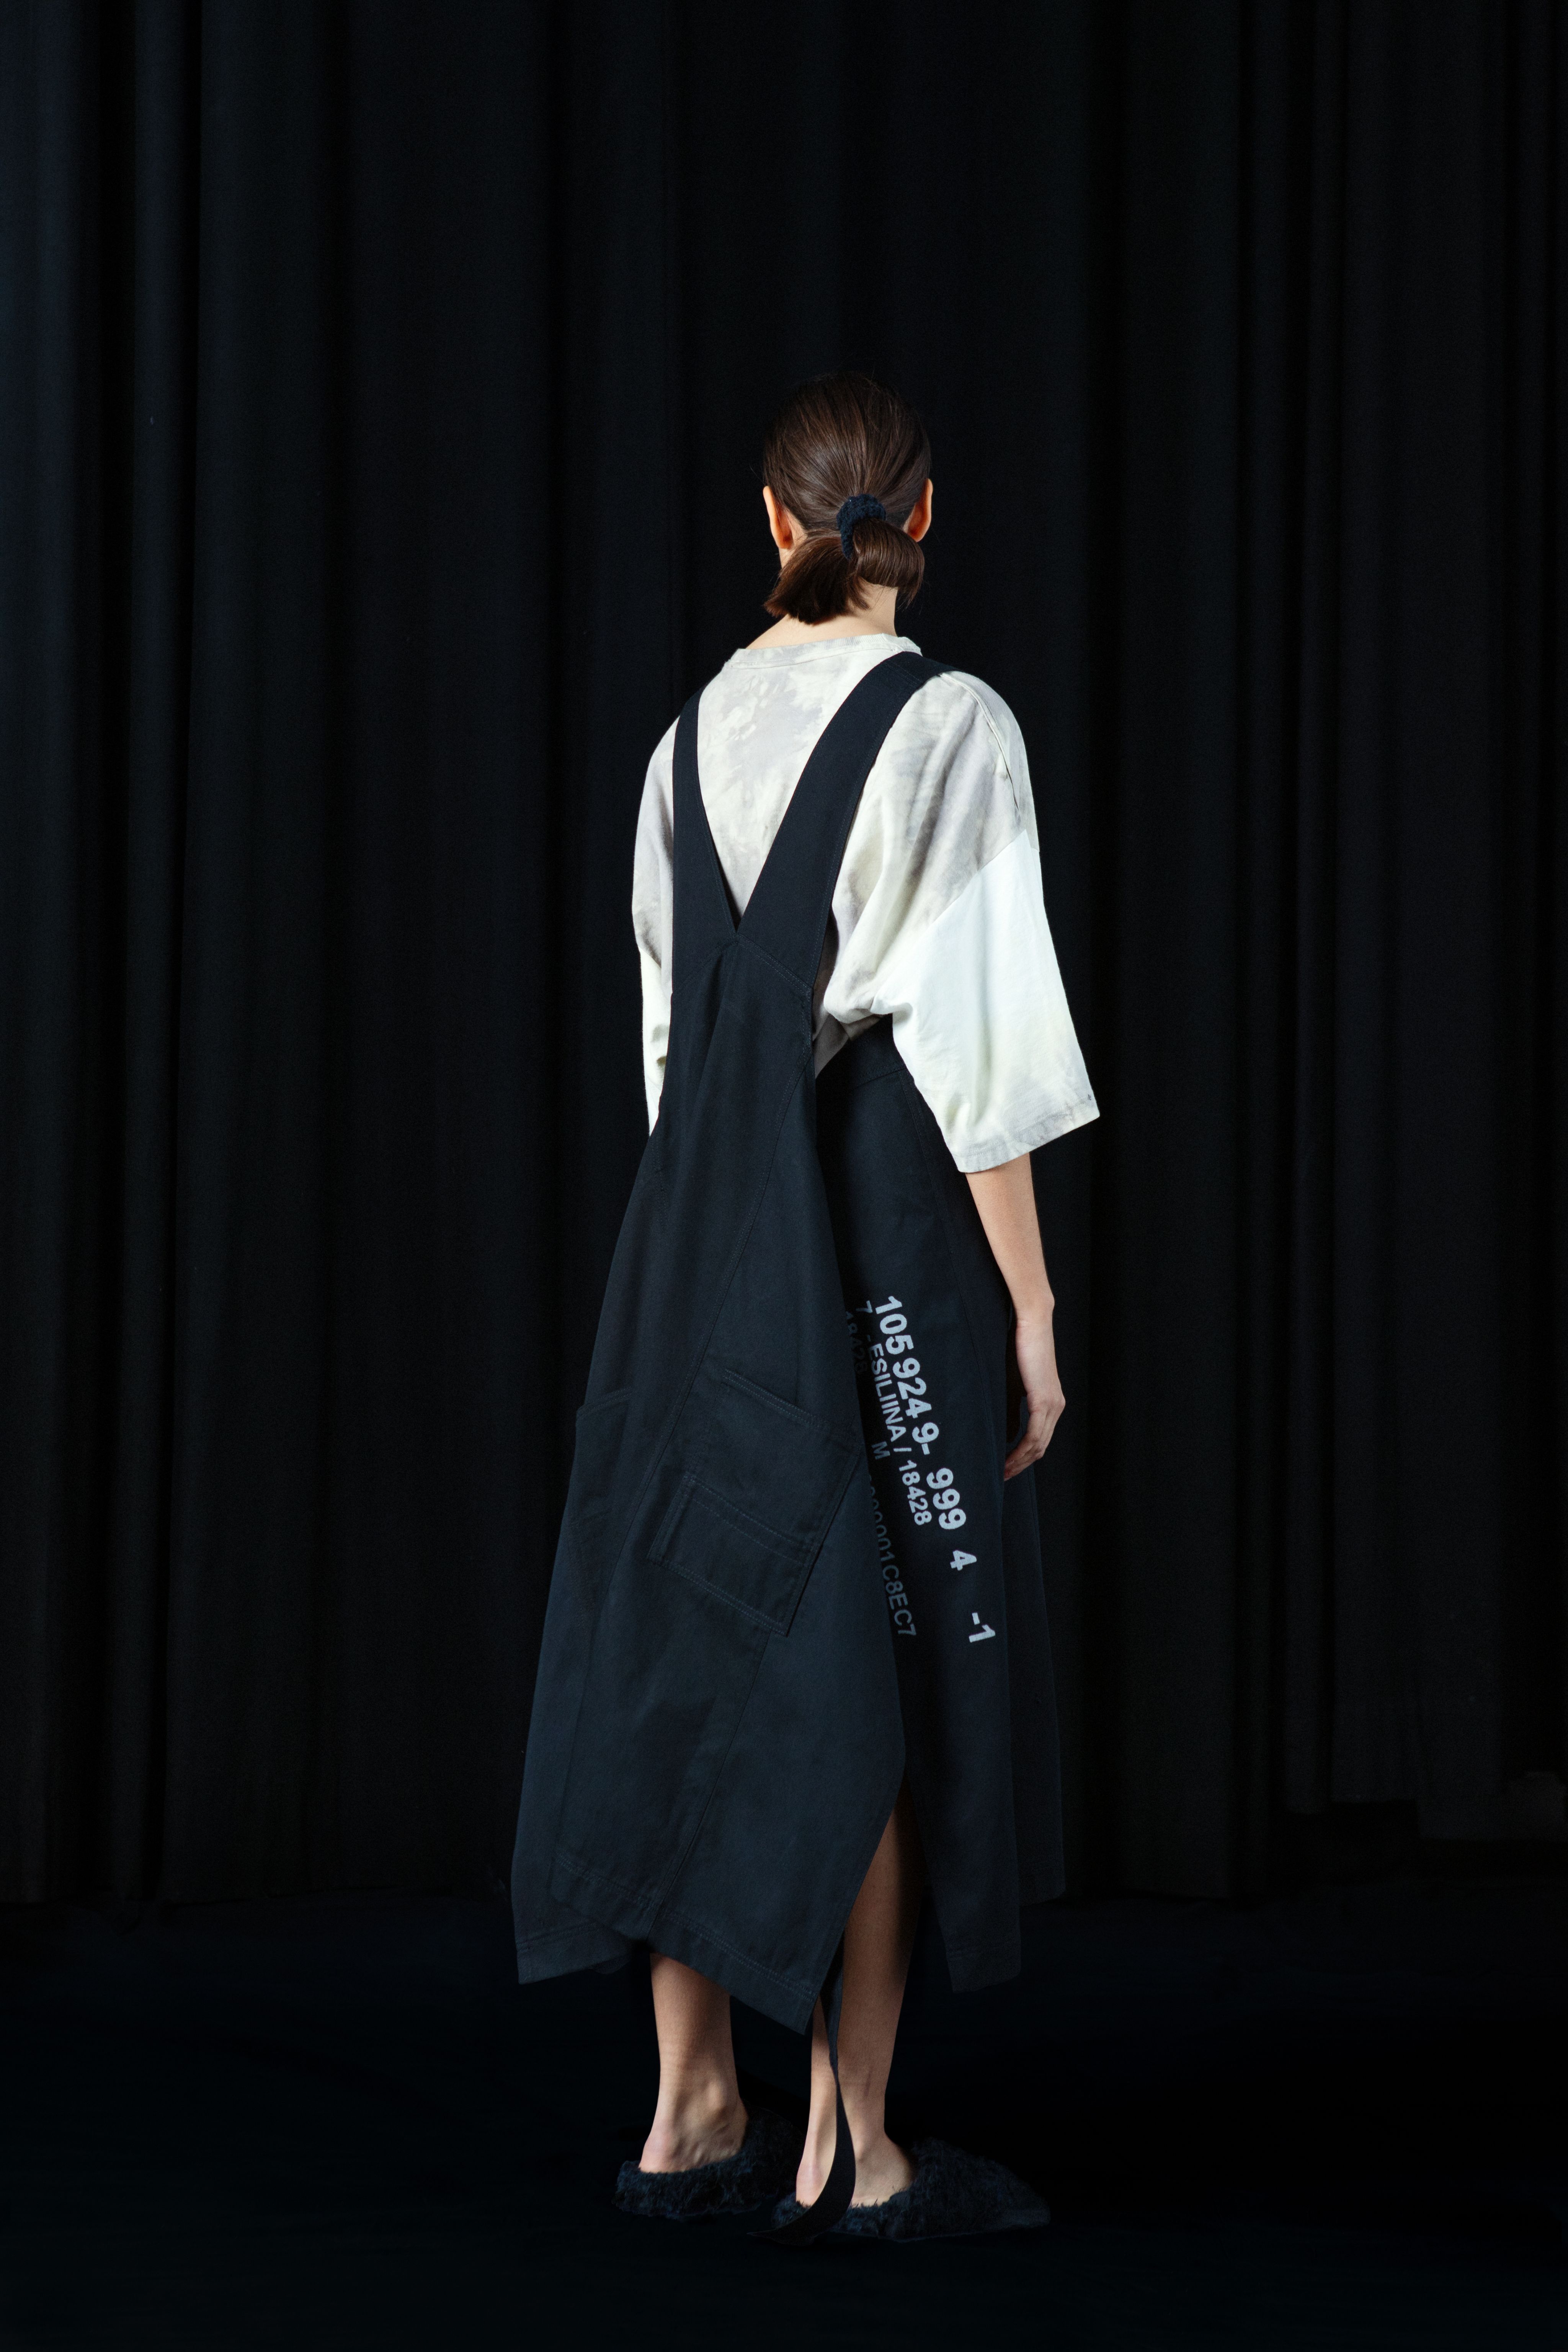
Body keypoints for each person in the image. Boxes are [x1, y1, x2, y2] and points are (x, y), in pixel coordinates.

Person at [511, 372, 1098, 2244]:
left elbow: (668, 1043)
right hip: (871, 1217)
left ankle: (689, 2115)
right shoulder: (949, 722)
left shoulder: (684, 739)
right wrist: (1030, 1312)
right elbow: (983, 1050)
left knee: (698, 1625)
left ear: (774, 527)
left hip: (693, 1230)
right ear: (925, 519)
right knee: (886, 1655)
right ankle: (859, 2148)